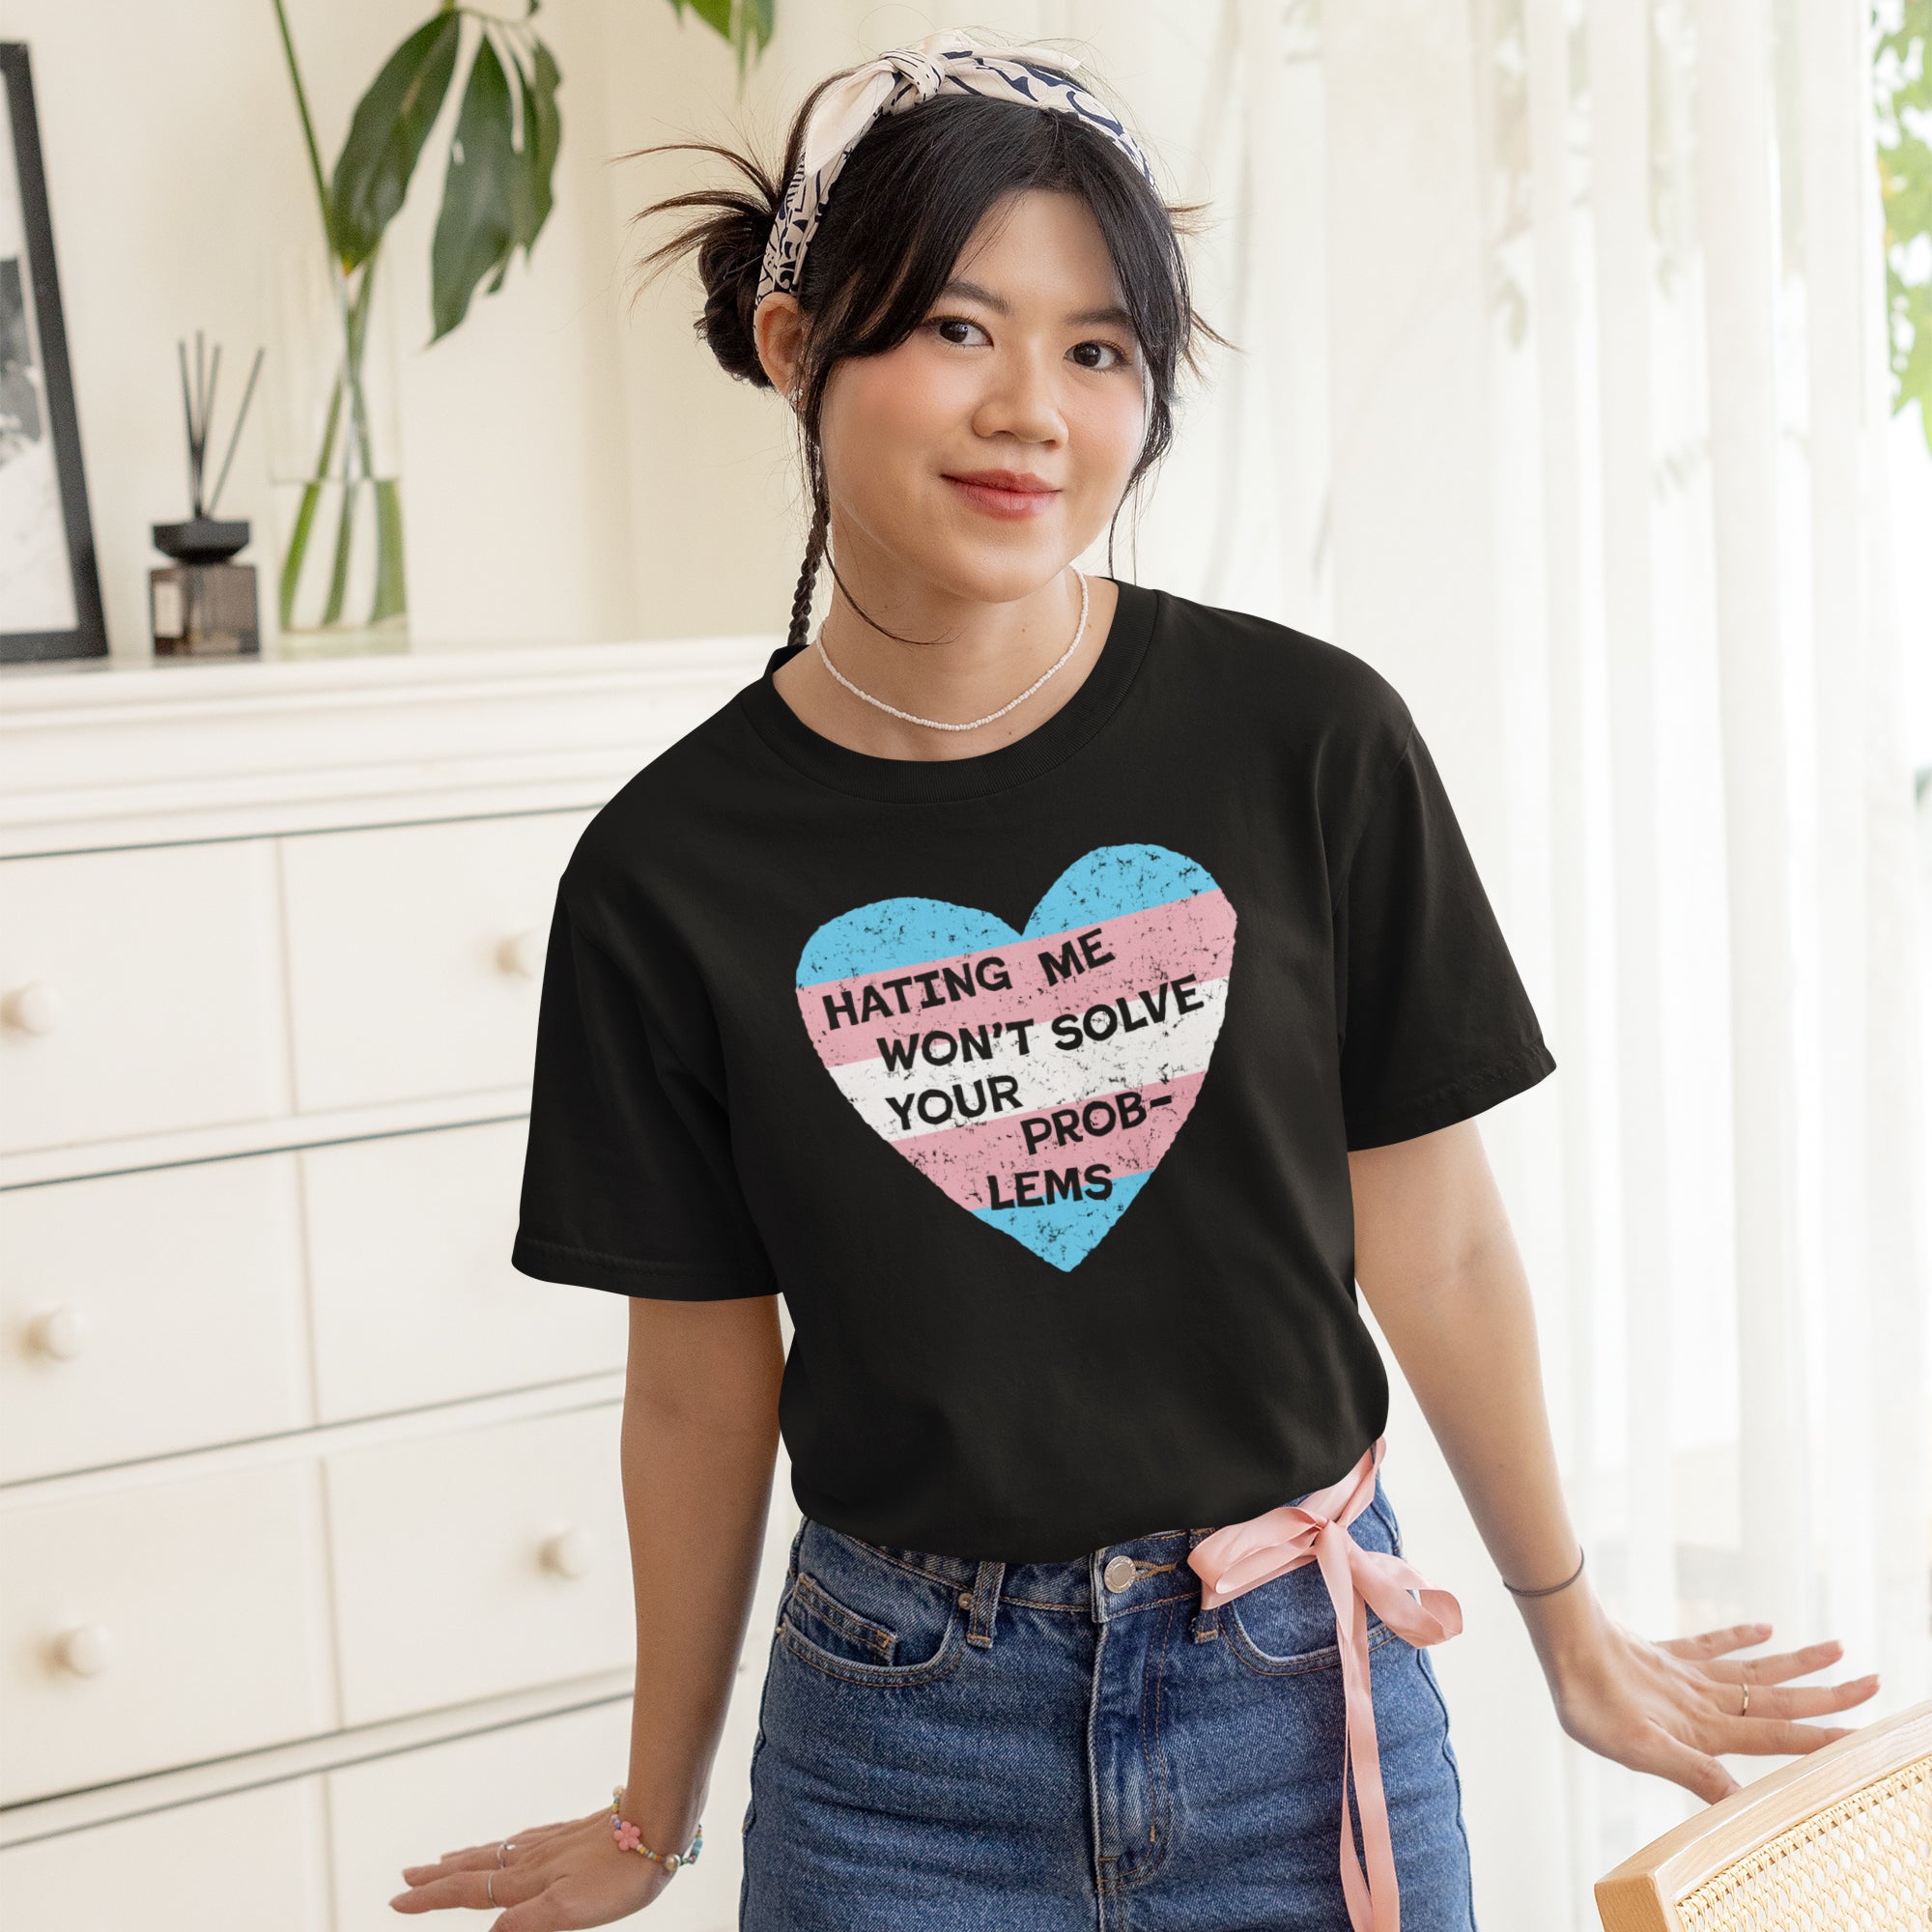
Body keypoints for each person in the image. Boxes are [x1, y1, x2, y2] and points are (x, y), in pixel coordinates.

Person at [386, 28, 1878, 1932]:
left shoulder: (1306, 740)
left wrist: (1564, 1625)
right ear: (790, 343)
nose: (1033, 408)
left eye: (1099, 349)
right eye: (952, 325)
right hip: (893, 1747)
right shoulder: (668, 871)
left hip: (1296, 1691)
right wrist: (648, 1806)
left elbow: (1431, 1238)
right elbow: (696, 1383)